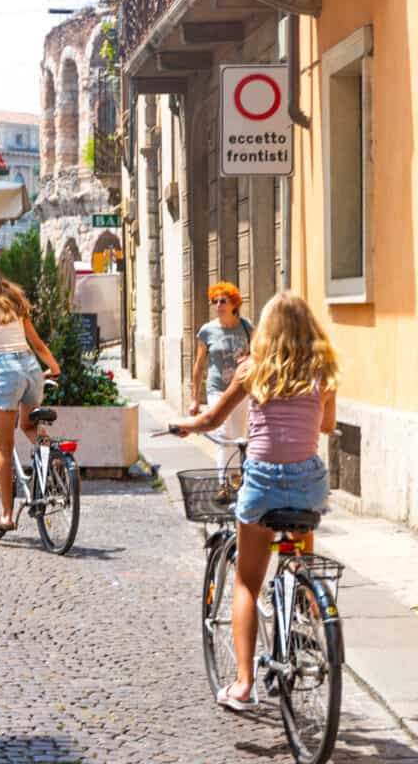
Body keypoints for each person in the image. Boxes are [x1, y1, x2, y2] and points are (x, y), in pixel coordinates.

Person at [171, 291, 339, 712]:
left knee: (247, 581)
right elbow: (328, 425)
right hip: (307, 482)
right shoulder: (323, 371)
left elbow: (211, 419)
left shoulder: (252, 370)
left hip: (263, 481)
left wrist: (182, 425)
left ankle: (244, 685)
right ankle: (303, 616)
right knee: (300, 552)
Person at [0, 264, 61, 533]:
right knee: (29, 426)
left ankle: (7, 515)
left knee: (3, 448)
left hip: (7, 369)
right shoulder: (16, 303)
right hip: (31, 366)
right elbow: (38, 344)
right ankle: (54, 459)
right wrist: (54, 368)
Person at [191, 282, 253, 471]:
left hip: (241, 389)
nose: (218, 305)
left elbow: (260, 353)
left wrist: (249, 358)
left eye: (222, 301)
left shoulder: (246, 327)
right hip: (217, 388)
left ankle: (235, 477)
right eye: (214, 301)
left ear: (234, 304)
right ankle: (224, 482)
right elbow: (200, 364)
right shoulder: (207, 331)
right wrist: (194, 398)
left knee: (240, 435)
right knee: (225, 434)